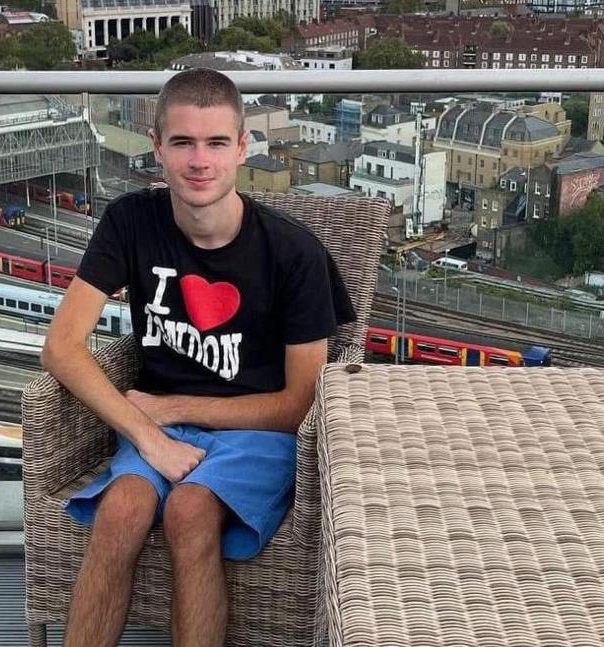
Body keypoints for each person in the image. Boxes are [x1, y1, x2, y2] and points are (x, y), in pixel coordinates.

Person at [41, 68, 354, 647]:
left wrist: (174, 407)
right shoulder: (131, 222)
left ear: (241, 147)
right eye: (182, 142)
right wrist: (151, 434)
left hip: (256, 432)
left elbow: (299, 405)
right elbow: (61, 345)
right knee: (122, 510)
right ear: (157, 148)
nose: (199, 161)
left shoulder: (294, 254)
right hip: (157, 422)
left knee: (190, 510)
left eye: (215, 143)